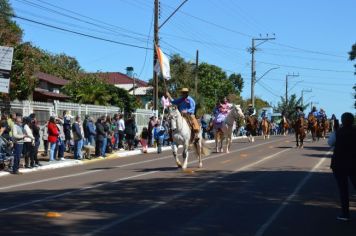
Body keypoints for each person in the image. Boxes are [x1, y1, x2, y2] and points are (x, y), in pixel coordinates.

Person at [328, 112, 356, 221]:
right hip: (354, 163)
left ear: (342, 121)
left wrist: (335, 131)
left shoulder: (338, 132)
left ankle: (345, 214)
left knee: (343, 190)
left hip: (339, 164)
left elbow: (330, 143)